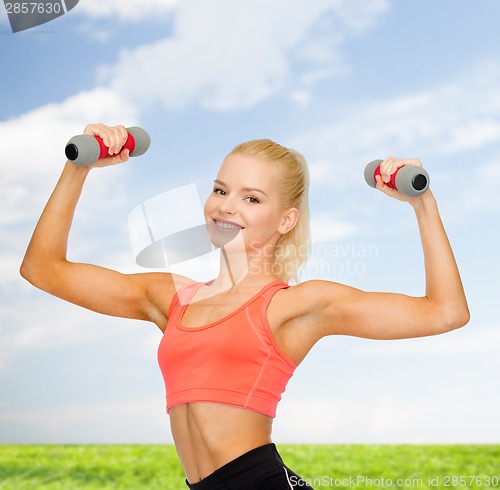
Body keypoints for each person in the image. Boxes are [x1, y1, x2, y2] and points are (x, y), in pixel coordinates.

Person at [20, 123, 470, 489]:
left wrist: (422, 202)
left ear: (286, 220)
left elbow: (445, 311)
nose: (226, 207)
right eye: (220, 190)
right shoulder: (170, 299)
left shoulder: (292, 306)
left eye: (251, 198)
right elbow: (43, 268)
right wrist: (79, 168)